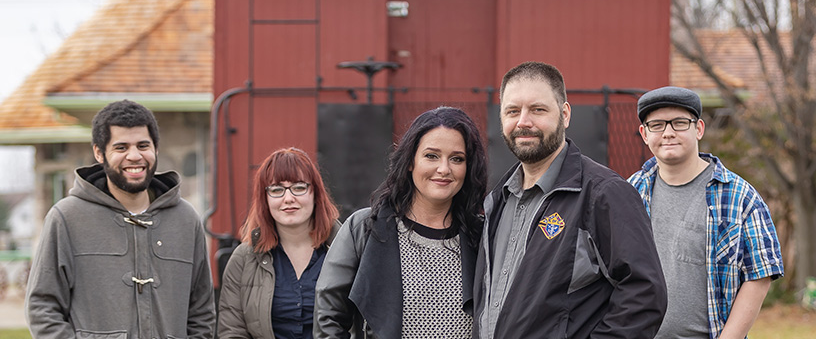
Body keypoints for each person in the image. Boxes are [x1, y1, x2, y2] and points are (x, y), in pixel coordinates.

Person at [473, 61, 668, 338]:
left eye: (538, 109)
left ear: (564, 114)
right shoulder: (497, 201)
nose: (523, 122)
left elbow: (645, 295)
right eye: (513, 111)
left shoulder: (604, 194)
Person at [25, 100, 215, 338]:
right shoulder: (66, 218)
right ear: (99, 153)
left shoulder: (186, 219)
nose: (134, 156)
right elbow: (42, 308)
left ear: (156, 148)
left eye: (143, 145)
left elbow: (202, 311)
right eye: (121, 147)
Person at [314, 106, 488, 338]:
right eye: (431, 156)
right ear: (409, 161)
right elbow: (329, 318)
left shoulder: (483, 235)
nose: (444, 169)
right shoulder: (364, 228)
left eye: (457, 158)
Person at [627, 86, 784, 338]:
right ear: (644, 134)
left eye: (679, 123)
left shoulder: (739, 196)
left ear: (698, 128)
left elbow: (760, 275)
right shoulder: (630, 192)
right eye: (657, 125)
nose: (668, 133)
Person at [218, 147, 341, 338]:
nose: (288, 198)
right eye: (277, 190)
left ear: (315, 194)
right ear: (264, 199)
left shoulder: (345, 252)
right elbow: (232, 332)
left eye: (299, 187)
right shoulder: (243, 260)